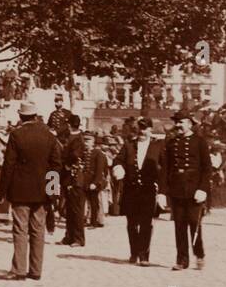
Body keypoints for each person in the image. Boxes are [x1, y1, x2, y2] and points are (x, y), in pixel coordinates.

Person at [0, 100, 62, 281]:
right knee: (38, 230)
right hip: (42, 192)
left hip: (20, 190)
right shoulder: (49, 136)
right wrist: (52, 191)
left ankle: (18, 270)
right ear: (36, 115)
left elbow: (8, 165)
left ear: (21, 116)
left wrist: (1, 190)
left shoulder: (16, 135)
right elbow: (56, 165)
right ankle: (36, 270)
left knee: (20, 229)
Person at [161, 109, 211, 271]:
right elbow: (165, 169)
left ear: (189, 123)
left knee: (194, 223)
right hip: (177, 188)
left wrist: (203, 188)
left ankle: (199, 254)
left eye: (181, 122)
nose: (178, 125)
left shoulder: (200, 142)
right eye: (176, 122)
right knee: (179, 225)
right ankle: (182, 259)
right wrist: (162, 192)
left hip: (194, 188)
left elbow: (206, 168)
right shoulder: (171, 143)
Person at [116, 117, 162, 265]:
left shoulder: (157, 147)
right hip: (131, 190)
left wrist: (161, 187)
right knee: (131, 223)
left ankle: (144, 255)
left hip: (148, 190)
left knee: (146, 223)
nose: (142, 132)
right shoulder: (129, 146)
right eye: (140, 128)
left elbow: (165, 167)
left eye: (145, 128)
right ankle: (133, 252)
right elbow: (118, 160)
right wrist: (119, 167)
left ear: (150, 130)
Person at [61, 113, 88, 246]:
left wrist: (66, 163)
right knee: (70, 209)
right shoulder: (73, 137)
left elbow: (75, 156)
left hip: (75, 177)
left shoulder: (76, 139)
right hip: (70, 178)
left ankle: (78, 238)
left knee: (77, 210)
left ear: (69, 125)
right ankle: (70, 236)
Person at [84, 130, 109, 227]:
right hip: (85, 181)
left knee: (94, 202)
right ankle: (87, 219)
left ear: (93, 141)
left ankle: (94, 222)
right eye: (85, 140)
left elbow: (99, 170)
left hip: (94, 181)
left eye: (88, 140)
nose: (86, 142)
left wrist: (95, 182)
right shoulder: (84, 152)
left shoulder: (98, 153)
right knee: (88, 202)